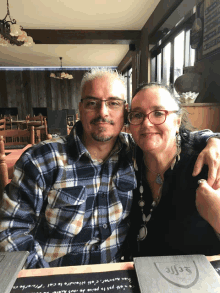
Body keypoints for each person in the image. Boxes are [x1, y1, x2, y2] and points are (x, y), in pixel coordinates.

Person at [0, 70, 220, 269]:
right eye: (92, 103)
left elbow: (178, 136)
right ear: (80, 108)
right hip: (54, 279)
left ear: (124, 112)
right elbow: (9, 232)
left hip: (119, 279)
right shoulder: (42, 160)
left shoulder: (134, 150)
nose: (103, 112)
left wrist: (213, 140)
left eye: (114, 103)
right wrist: (45, 280)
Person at [126, 82, 220, 259]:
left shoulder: (208, 164)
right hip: (137, 275)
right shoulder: (127, 159)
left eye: (158, 113)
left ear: (177, 122)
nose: (146, 123)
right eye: (137, 115)